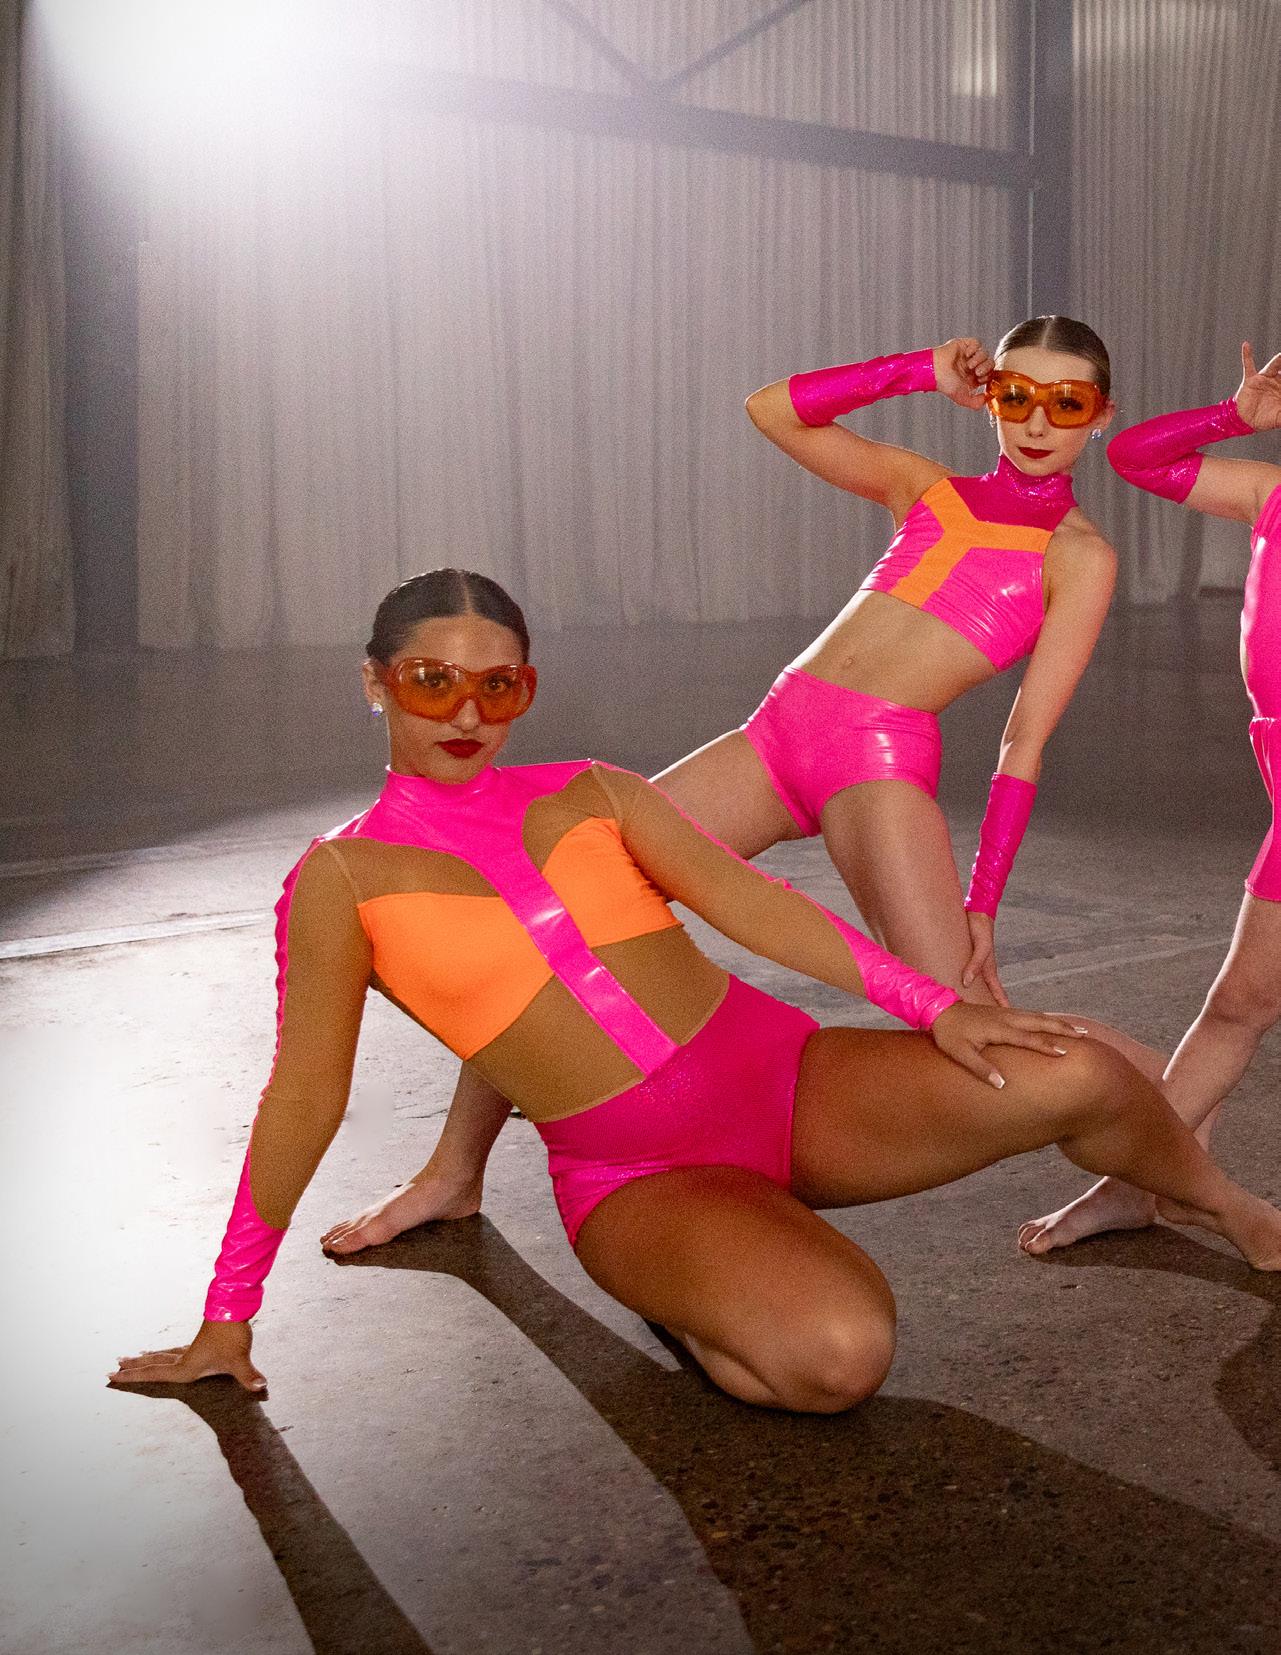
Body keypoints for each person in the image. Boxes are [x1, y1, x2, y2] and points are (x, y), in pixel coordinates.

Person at [111, 570, 1281, 1413]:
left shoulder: (594, 791)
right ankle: (698, 1281)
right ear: (373, 682)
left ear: (525, 687)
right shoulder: (340, 881)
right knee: (838, 1356)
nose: (466, 714)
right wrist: (229, 1310)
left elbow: (756, 905)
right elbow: (305, 1095)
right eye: (432, 682)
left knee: (1080, 1070)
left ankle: (1216, 1202)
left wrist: (936, 1006)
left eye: (497, 685)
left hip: (787, 1080)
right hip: (640, 1177)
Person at [325, 317, 1162, 1252]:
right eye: (1016, 395)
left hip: (874, 764)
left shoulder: (1079, 554)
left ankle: (1171, 1121)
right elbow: (774, 410)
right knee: (560, 900)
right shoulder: (928, 487)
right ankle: (453, 1173)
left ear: (1101, 414)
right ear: (990, 396)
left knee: (971, 1021)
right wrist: (917, 371)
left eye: (1066, 403)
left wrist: (983, 905)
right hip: (775, 733)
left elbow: (1022, 741)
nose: (1036, 422)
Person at [1021, 343, 1281, 1254]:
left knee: (1238, 1005)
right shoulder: (1269, 495)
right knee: (1237, 1007)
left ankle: (1137, 1182)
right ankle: (1136, 1185)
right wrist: (1230, 417)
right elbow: (1136, 456)